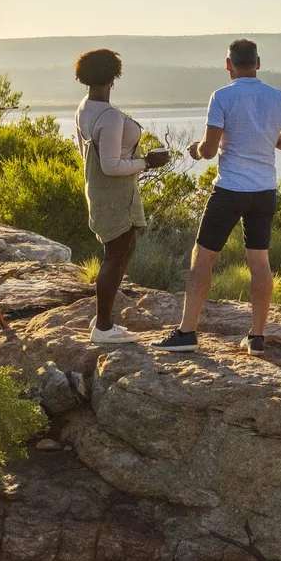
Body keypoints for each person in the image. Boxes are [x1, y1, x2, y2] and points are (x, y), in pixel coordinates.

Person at [158, 38, 281, 354]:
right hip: (264, 191)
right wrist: (267, 139)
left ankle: (187, 333)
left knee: (202, 259)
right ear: (258, 63)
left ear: (228, 64)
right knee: (260, 262)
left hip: (230, 191)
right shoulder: (279, 97)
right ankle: (257, 337)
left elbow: (209, 151)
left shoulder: (222, 96)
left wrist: (196, 150)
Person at [74, 48, 170, 345]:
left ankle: (103, 317)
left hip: (98, 193)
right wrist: (147, 163)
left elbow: (93, 156)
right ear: (113, 77)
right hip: (116, 197)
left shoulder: (84, 107)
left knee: (115, 254)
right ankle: (103, 327)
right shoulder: (109, 117)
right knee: (117, 256)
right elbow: (111, 165)